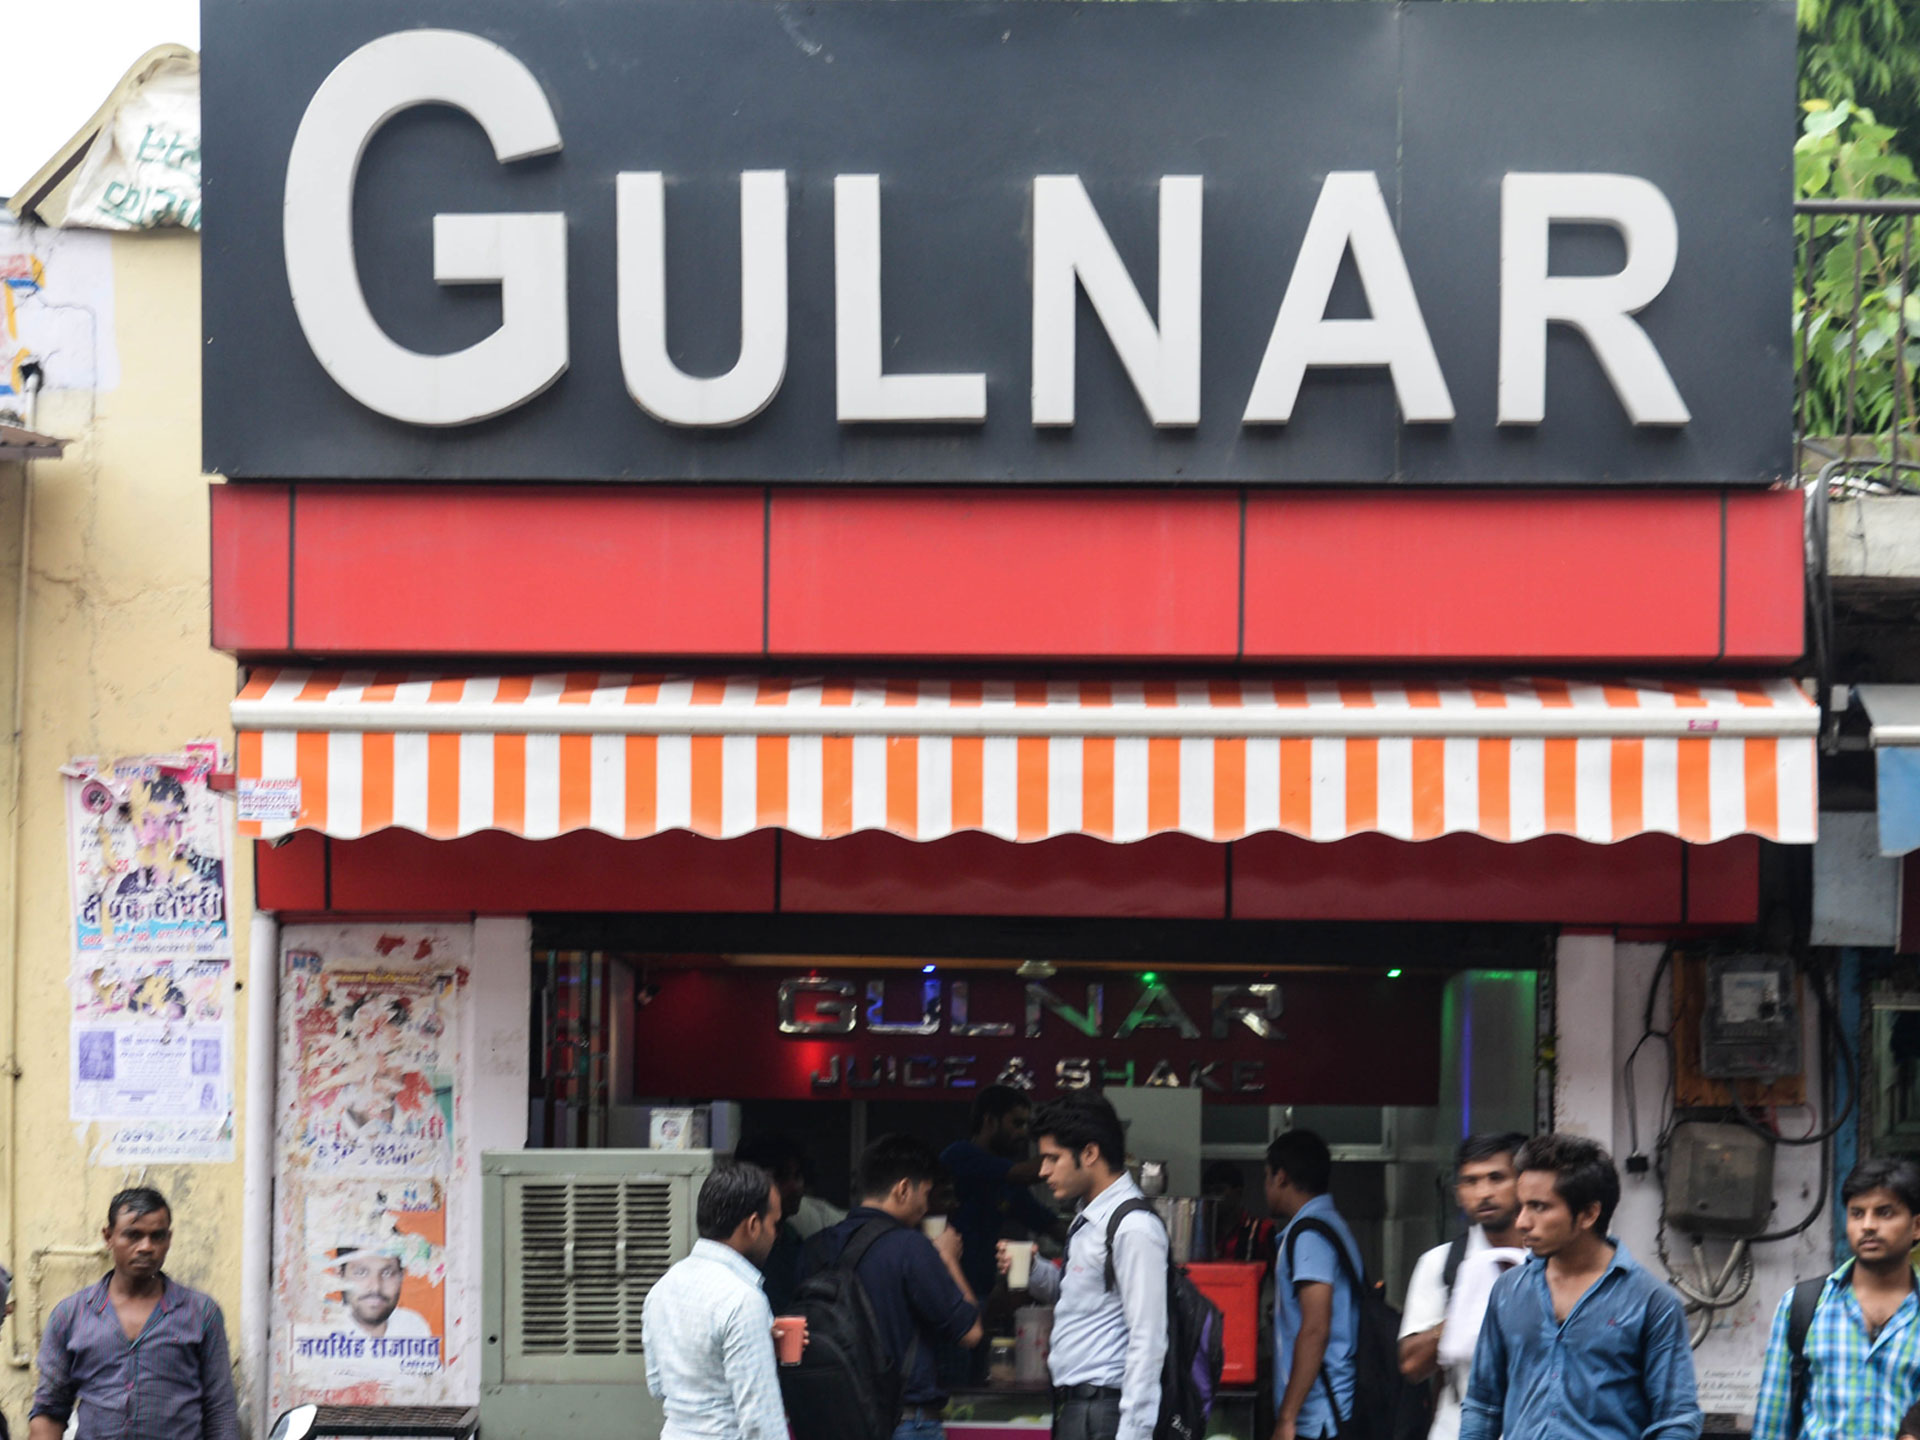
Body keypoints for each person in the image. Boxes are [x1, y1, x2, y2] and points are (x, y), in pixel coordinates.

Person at [1459, 1133, 1700, 1440]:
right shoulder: (1509, 1291)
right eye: (1521, 1207)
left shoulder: (1651, 1302)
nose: (1522, 1222)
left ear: (1588, 1214)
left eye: (1539, 1207)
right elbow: (1483, 1405)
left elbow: (1675, 1420)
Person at [1000, 1092, 1167, 1440]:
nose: (1042, 1171)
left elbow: (1148, 1337)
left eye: (1052, 1158)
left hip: (1104, 1410)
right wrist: (1033, 1269)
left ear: (1089, 1153)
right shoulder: (1088, 1218)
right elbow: (1079, 1298)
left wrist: (1134, 1432)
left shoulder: (1133, 1227)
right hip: (1077, 1406)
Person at [803, 1134, 986, 1438]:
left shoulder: (816, 1248)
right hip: (903, 1422)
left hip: (831, 1419)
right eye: (926, 1194)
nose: (926, 1207)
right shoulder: (910, 1248)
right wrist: (949, 1259)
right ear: (903, 1189)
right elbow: (971, 1333)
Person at [30, 1187, 240, 1440]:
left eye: (157, 1236)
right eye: (133, 1235)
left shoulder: (201, 1313)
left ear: (169, 1239)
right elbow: (50, 1409)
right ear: (108, 1237)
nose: (146, 1247)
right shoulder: (70, 1315)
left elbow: (220, 1410)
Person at [1751, 1156, 1920, 1440]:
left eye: (1885, 1212)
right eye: (1857, 1213)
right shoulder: (1802, 1306)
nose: (1868, 1225)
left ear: (1916, 1226)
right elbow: (1772, 1423)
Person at [641, 1161, 792, 1440]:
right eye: (775, 1224)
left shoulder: (662, 1289)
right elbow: (761, 1422)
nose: (776, 1234)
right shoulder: (743, 1301)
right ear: (753, 1225)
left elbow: (658, 1385)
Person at [1398, 1132, 1530, 1440]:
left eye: (1496, 1178)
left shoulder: (1553, 1260)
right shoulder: (1442, 1263)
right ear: (1458, 1193)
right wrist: (1460, 1314)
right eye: (1470, 1181)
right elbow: (1411, 1365)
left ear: (1524, 1183)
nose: (1483, 1192)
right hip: (1457, 1427)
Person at [1266, 1129, 1363, 1440]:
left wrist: (1287, 1417)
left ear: (1280, 1177)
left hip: (1320, 1414)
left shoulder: (1310, 1236)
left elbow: (1315, 1329)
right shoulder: (1328, 1224)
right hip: (1327, 1409)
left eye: (1266, 1177)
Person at [943, 1086, 1066, 1305]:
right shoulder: (961, 1155)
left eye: (1026, 1125)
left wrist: (1091, 1244)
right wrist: (1065, 1153)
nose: (1023, 1133)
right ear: (990, 1121)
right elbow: (1023, 1173)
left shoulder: (1009, 1185)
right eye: (1017, 1124)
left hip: (982, 1289)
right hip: (947, 1289)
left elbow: (1047, 1222)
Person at [737, 1134, 810, 1313]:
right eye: (781, 1177)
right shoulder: (743, 1243)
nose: (794, 1187)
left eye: (797, 1176)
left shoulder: (794, 1240)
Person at [336, 1247, 432, 1338]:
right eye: (361, 1272)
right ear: (340, 1275)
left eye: (387, 1273)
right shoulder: (323, 1332)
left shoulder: (413, 1326)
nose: (376, 1287)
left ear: (401, 1276)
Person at [1204, 1161, 1276, 1268]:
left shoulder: (1261, 1230)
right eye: (1208, 1193)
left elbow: (1278, 1275)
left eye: (1219, 1191)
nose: (1214, 1198)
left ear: (1238, 1192)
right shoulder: (1204, 1232)